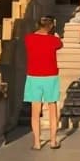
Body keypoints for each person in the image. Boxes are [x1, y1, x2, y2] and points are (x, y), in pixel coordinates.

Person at [23, 15, 64, 150]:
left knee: (35, 111)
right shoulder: (54, 40)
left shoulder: (29, 38)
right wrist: (55, 34)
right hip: (50, 76)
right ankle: (53, 141)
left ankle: (37, 142)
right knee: (52, 108)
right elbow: (60, 44)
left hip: (34, 76)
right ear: (51, 26)